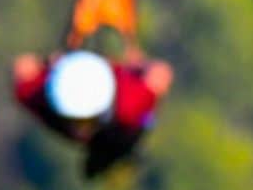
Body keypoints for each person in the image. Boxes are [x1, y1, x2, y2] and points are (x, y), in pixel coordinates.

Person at [13, 48, 173, 178]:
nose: (81, 130)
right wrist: (138, 65)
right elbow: (161, 74)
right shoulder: (45, 96)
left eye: (86, 121)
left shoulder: (128, 107)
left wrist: (48, 62)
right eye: (73, 120)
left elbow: (22, 67)